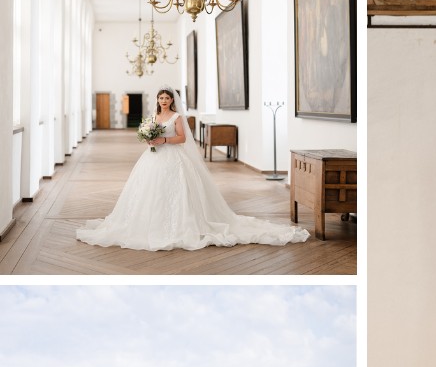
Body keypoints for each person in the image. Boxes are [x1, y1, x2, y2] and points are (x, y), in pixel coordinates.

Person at [76, 87, 309, 252]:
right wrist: (149, 140)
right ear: (157, 100)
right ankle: (148, 223)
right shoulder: (154, 116)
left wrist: (163, 141)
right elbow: (148, 133)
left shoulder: (177, 117)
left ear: (171, 100)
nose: (164, 100)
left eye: (167, 97)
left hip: (173, 158)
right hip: (153, 159)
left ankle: (182, 224)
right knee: (150, 191)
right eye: (161, 97)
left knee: (179, 192)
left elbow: (182, 138)